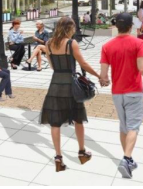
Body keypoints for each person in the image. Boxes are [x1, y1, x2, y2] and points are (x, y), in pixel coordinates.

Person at [99, 12, 143, 179]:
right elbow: (142, 67)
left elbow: (103, 75)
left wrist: (104, 80)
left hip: (117, 92)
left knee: (124, 126)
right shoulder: (138, 43)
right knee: (133, 127)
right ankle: (126, 159)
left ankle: (129, 158)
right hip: (134, 90)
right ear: (131, 26)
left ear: (116, 26)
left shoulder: (107, 46)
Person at [40, 16, 101, 172]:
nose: (75, 30)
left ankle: (58, 158)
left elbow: (53, 66)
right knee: (78, 119)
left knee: (55, 122)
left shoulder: (49, 43)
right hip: (71, 86)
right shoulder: (71, 43)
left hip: (55, 85)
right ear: (69, 28)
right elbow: (83, 64)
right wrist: (99, 76)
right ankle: (82, 152)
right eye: (74, 28)